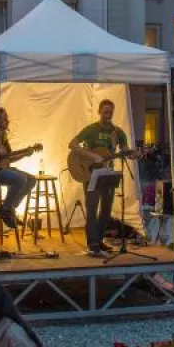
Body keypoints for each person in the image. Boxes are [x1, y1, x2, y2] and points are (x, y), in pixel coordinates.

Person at [69, 99, 137, 257]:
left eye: (110, 112)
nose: (108, 115)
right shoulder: (91, 130)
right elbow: (72, 144)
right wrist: (93, 156)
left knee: (106, 209)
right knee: (92, 208)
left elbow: (125, 150)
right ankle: (92, 243)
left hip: (108, 174)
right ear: (99, 112)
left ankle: (99, 240)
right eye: (105, 112)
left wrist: (134, 154)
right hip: (91, 173)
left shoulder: (117, 132)